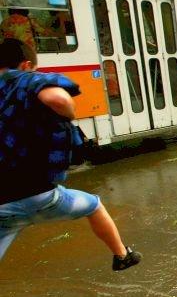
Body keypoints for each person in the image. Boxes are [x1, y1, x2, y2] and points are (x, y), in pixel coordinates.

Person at [0, 38, 141, 269]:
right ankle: (122, 256)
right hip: (38, 196)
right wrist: (68, 114)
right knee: (93, 205)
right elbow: (57, 98)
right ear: (26, 65)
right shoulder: (24, 78)